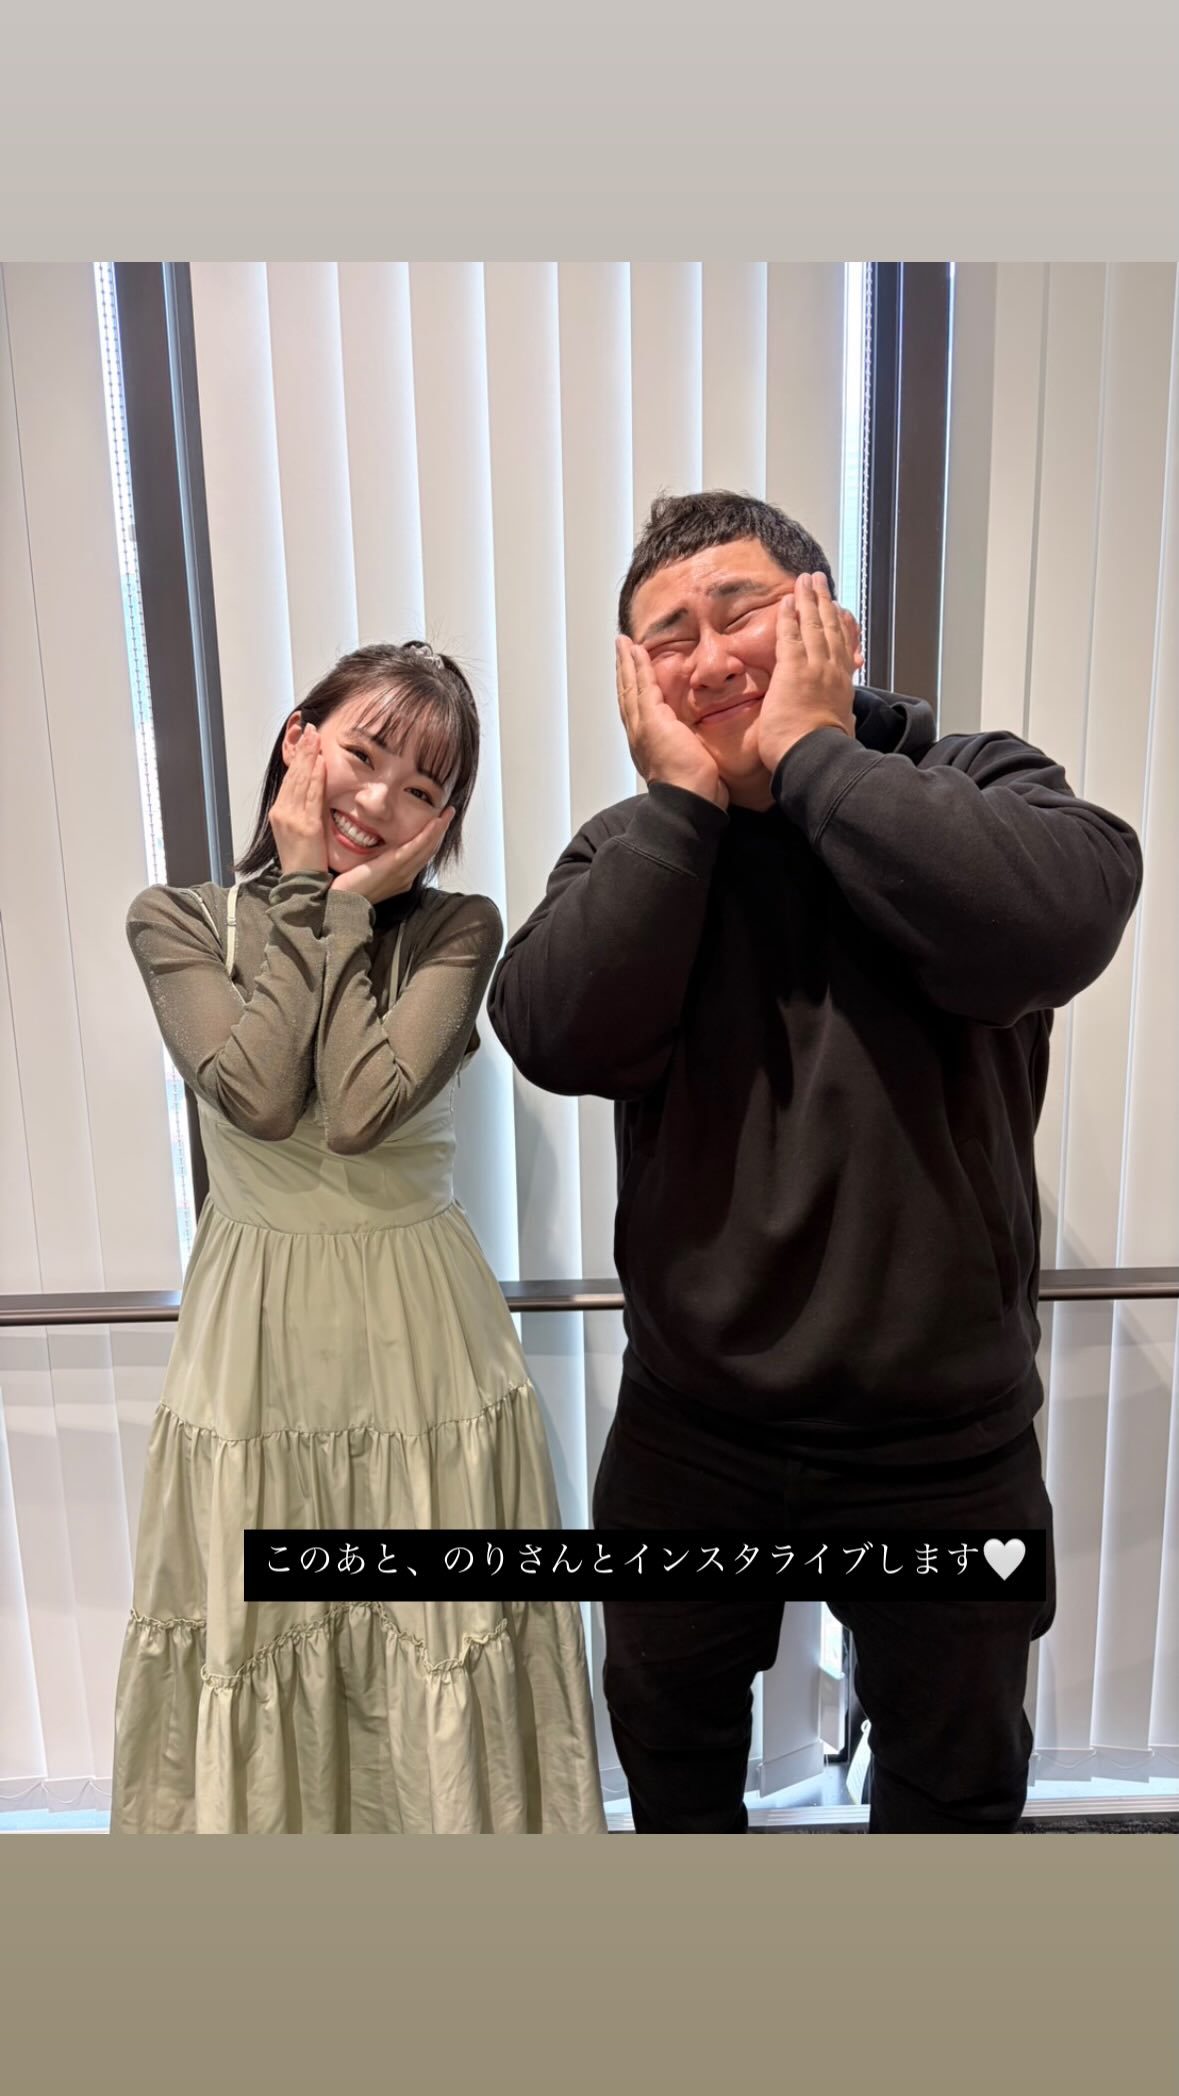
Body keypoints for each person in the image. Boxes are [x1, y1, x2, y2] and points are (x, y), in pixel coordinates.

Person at [486, 491, 1144, 1834]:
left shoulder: (976, 782)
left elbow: (1051, 923)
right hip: (693, 1428)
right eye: (666, 637)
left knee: (951, 1791)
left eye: (738, 611)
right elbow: (551, 1030)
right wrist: (684, 805)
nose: (707, 656)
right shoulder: (633, 848)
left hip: (943, 1441)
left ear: (827, 621)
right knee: (671, 1763)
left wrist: (809, 754)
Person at [111, 641, 605, 1835]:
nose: (379, 798)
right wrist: (303, 894)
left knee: (434, 1636)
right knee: (260, 1637)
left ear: (443, 823)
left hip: (419, 1340)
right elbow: (260, 1094)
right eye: (363, 753)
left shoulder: (459, 931)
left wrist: (338, 907)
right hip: (257, 1344)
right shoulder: (176, 919)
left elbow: (360, 1110)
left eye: (422, 787)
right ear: (300, 739)